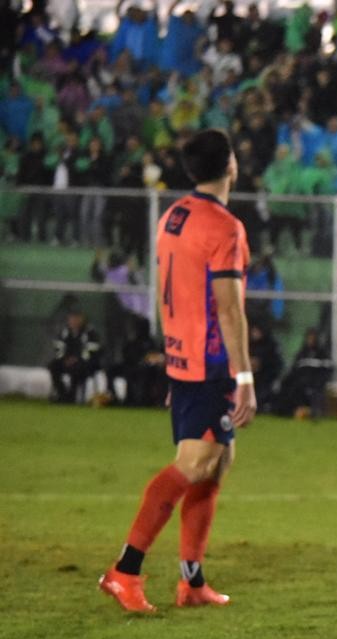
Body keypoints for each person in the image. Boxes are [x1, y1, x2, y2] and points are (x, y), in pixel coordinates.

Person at [98, 128, 255, 613]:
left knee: (216, 462)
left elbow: (171, 289)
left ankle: (192, 581)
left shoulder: (173, 217)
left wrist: (174, 360)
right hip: (210, 362)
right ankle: (125, 571)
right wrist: (245, 377)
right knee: (195, 464)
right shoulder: (225, 227)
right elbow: (228, 308)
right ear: (230, 165)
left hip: (185, 356)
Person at [48, 304, 102, 403]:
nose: (73, 320)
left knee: (77, 368)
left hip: (86, 363)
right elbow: (58, 346)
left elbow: (92, 349)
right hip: (67, 361)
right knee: (53, 366)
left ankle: (71, 396)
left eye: (76, 318)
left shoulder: (90, 332)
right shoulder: (65, 332)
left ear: (82, 319)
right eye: (71, 318)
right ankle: (62, 393)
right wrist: (64, 359)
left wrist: (77, 359)